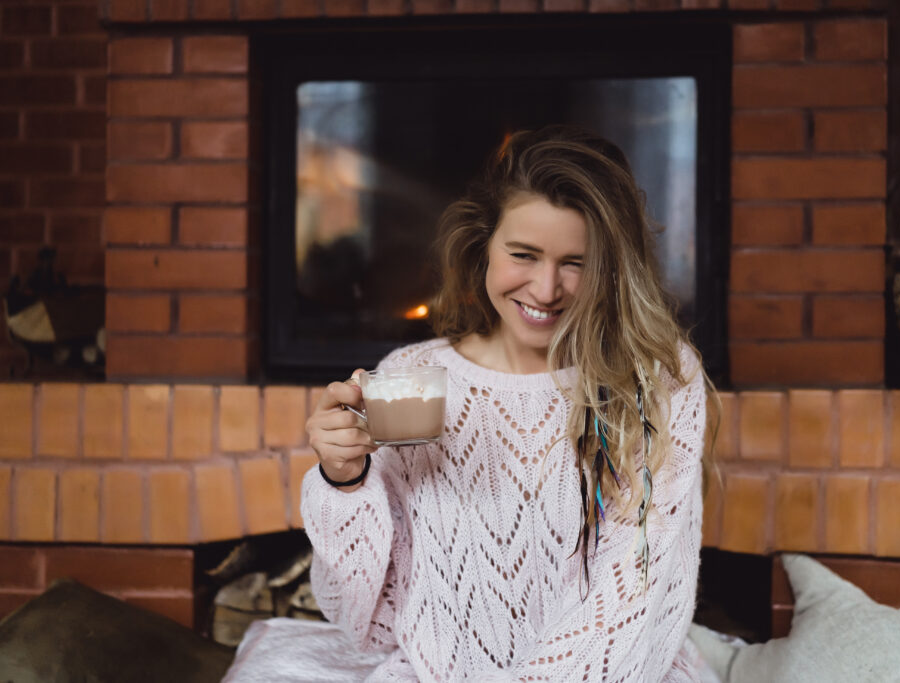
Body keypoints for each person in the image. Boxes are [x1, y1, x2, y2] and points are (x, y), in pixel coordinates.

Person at [228, 125, 713, 682]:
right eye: (524, 254)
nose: (547, 288)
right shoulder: (411, 377)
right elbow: (362, 615)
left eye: (577, 263)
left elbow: (633, 603)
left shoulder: (657, 379)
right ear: (485, 245)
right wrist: (343, 481)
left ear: (612, 268)